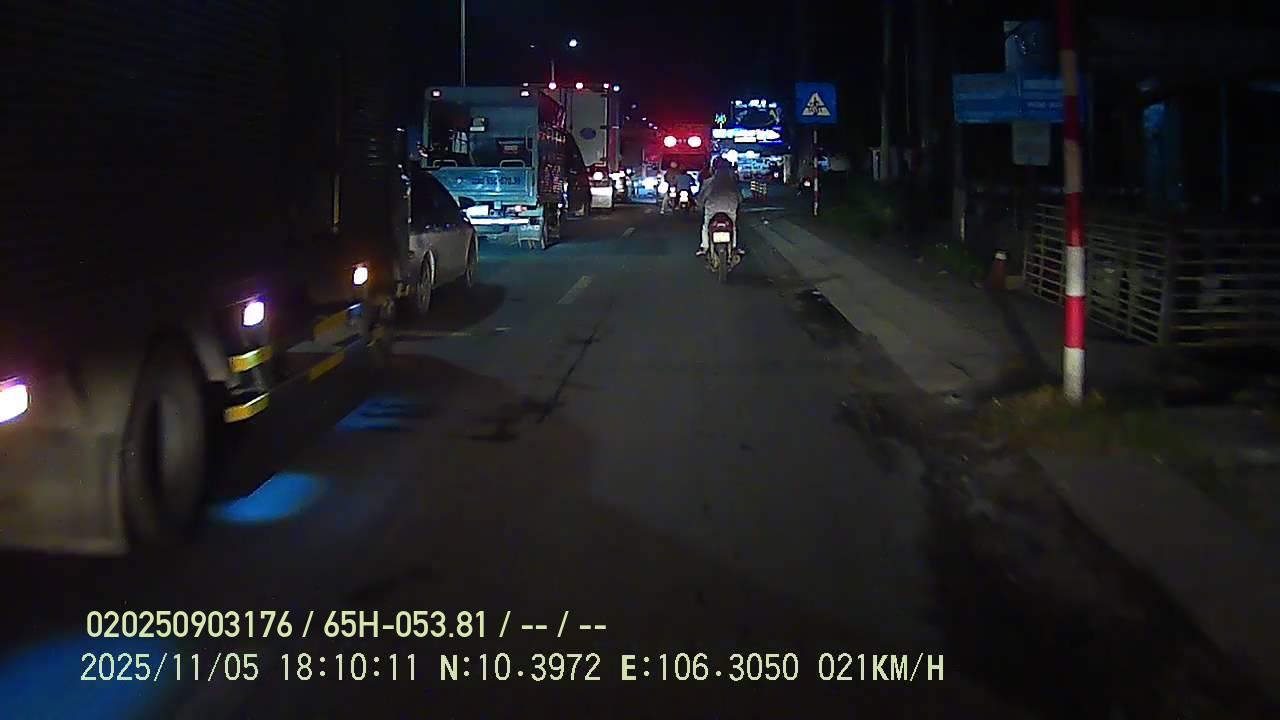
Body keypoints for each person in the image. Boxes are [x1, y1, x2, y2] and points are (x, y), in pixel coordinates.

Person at [698, 157, 745, 257]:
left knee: (706, 226)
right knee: (733, 226)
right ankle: (734, 247)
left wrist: (700, 205)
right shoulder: (733, 182)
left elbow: (702, 197)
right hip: (730, 208)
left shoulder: (709, 182)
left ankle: (705, 247)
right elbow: (740, 197)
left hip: (712, 209)